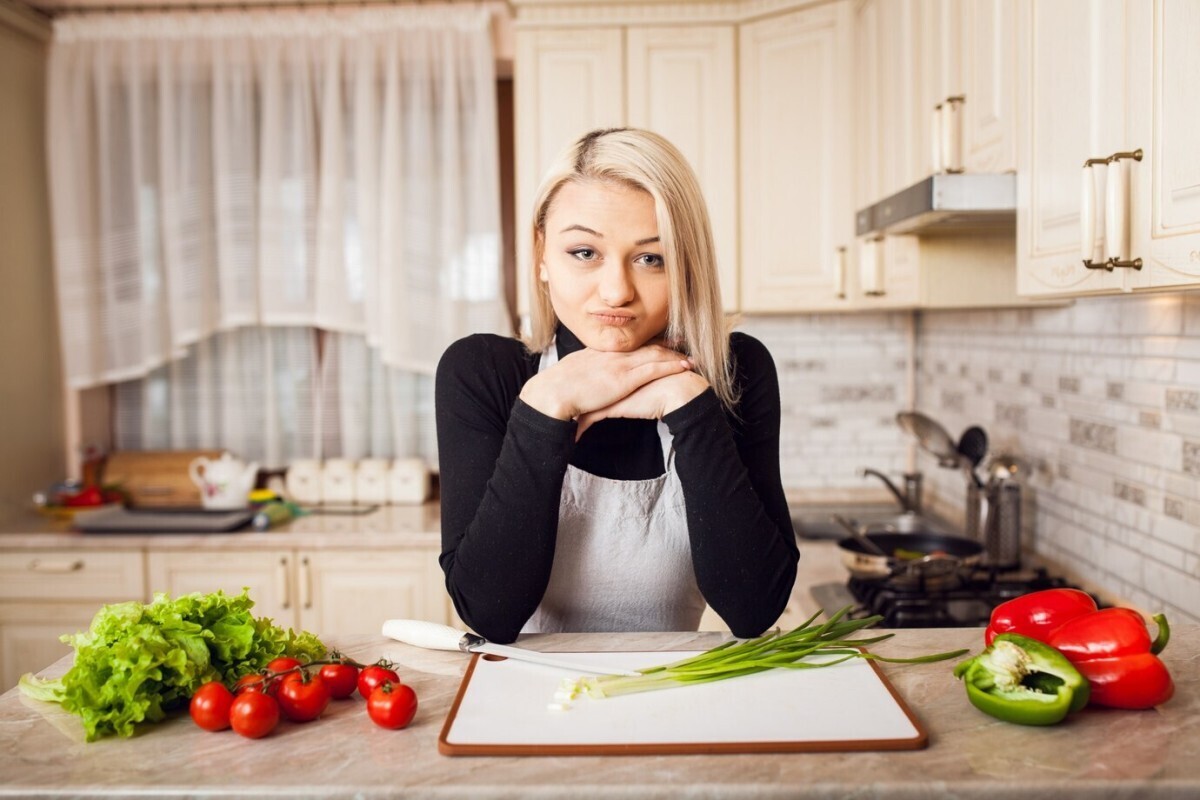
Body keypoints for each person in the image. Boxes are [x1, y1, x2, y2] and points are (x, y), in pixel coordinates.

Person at [435, 128, 797, 644]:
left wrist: (687, 403)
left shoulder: (735, 370)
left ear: (686, 265)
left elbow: (754, 607)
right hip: (527, 705)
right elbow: (490, 613)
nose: (616, 291)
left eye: (652, 258)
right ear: (541, 253)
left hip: (669, 697)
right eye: (584, 252)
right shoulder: (483, 373)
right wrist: (545, 405)